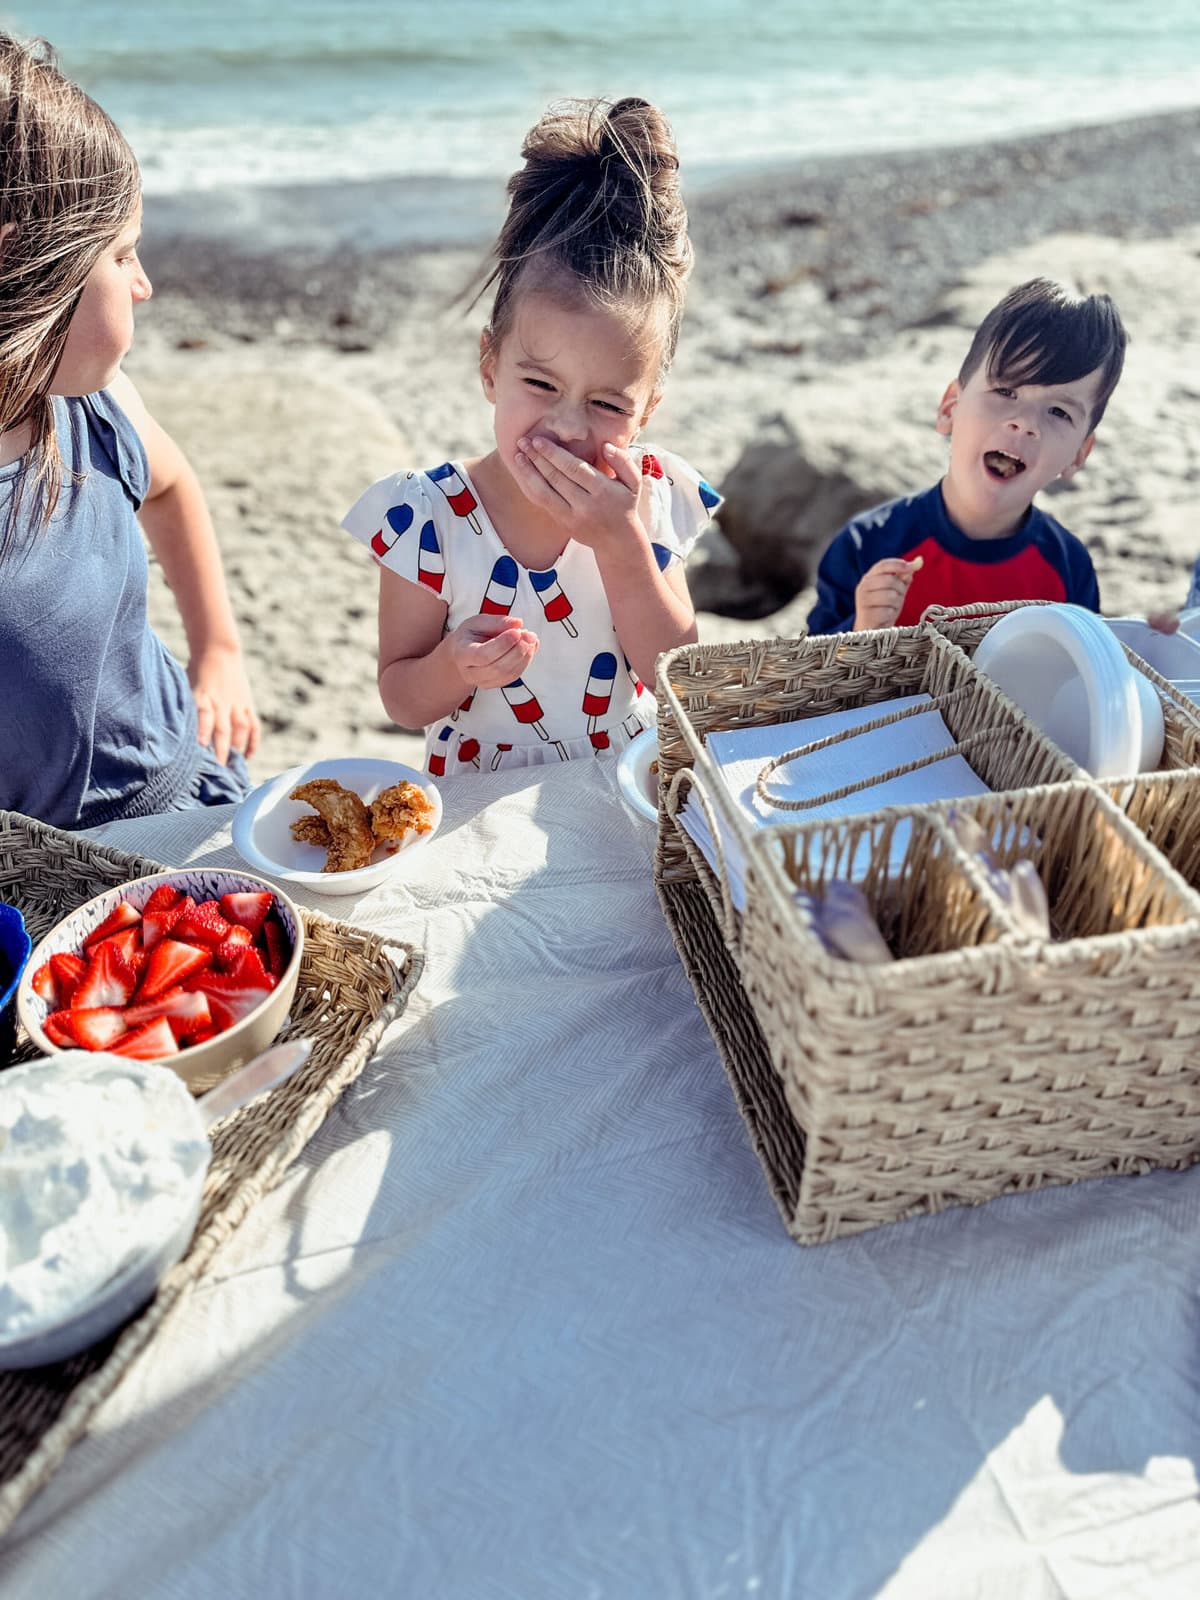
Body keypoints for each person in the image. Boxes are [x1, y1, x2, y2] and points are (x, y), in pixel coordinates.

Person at [342, 97, 719, 777]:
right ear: (490, 366)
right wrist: (455, 665)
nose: (569, 427)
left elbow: (677, 680)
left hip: (623, 780)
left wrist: (621, 543)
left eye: (607, 403)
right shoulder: (429, 519)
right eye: (540, 386)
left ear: (647, 411)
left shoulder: (651, 498)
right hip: (477, 799)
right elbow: (401, 698)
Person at [0, 34, 258, 830]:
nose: (145, 285)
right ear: (24, 265)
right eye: (122, 255)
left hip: (179, 782)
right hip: (45, 862)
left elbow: (175, 489)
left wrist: (221, 650)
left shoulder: (95, 409)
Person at [806, 278, 1127, 634]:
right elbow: (813, 678)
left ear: (1079, 454)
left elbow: (1083, 678)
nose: (1024, 424)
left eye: (1058, 412)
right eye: (1006, 390)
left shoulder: (1068, 569)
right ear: (950, 408)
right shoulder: (867, 545)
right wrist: (862, 626)